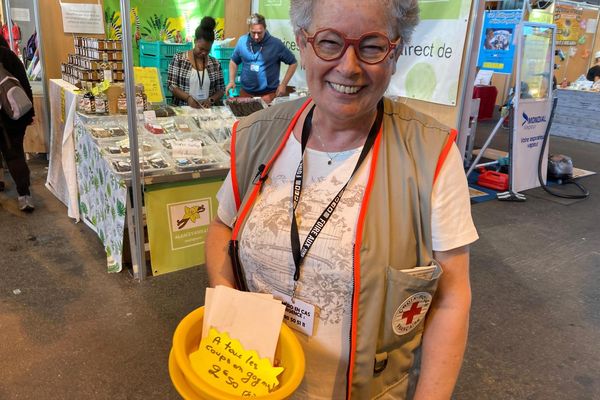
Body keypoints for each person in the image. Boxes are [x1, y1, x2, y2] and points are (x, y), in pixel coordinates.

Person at [206, 0, 478, 398]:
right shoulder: (257, 135)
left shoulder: (430, 156)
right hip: (248, 381)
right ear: (302, 43)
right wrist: (226, 298)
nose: (349, 67)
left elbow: (452, 299)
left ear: (396, 52)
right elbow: (222, 226)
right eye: (330, 42)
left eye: (371, 46)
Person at [225, 13, 298, 103]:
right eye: (253, 32)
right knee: (245, 117)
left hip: (268, 95)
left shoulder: (276, 44)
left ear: (265, 29)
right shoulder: (242, 41)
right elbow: (233, 61)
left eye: (259, 33)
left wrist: (283, 84)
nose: (256, 36)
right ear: (249, 29)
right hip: (246, 94)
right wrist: (231, 81)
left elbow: (293, 63)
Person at [0, 35, 34, 211]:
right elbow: (25, 85)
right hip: (14, 118)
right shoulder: (9, 57)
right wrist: (29, 115)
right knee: (15, 154)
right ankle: (24, 195)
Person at [167, 16, 225, 108]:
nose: (204, 53)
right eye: (201, 49)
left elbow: (221, 89)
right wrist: (188, 98)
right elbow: (171, 85)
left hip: (206, 112)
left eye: (207, 50)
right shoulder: (179, 59)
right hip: (183, 110)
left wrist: (211, 100)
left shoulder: (215, 64)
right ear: (195, 41)